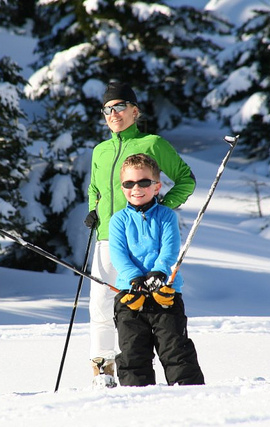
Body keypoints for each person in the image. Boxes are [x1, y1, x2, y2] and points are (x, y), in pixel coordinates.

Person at [85, 81, 196, 388]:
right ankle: (102, 370)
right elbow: (94, 188)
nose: (113, 114)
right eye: (107, 109)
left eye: (120, 107)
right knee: (100, 305)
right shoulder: (100, 150)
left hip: (142, 239)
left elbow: (186, 180)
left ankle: (159, 369)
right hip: (107, 237)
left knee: (143, 304)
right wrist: (93, 209)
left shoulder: (152, 143)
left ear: (134, 111)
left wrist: (160, 208)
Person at [109, 153, 205, 386]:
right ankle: (137, 397)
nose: (136, 188)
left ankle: (189, 393)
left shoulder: (166, 216)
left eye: (143, 182)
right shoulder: (118, 220)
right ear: (122, 188)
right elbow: (118, 254)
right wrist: (134, 278)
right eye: (129, 184)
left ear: (157, 186)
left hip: (165, 293)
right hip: (130, 296)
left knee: (175, 350)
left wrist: (159, 272)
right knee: (133, 352)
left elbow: (170, 248)